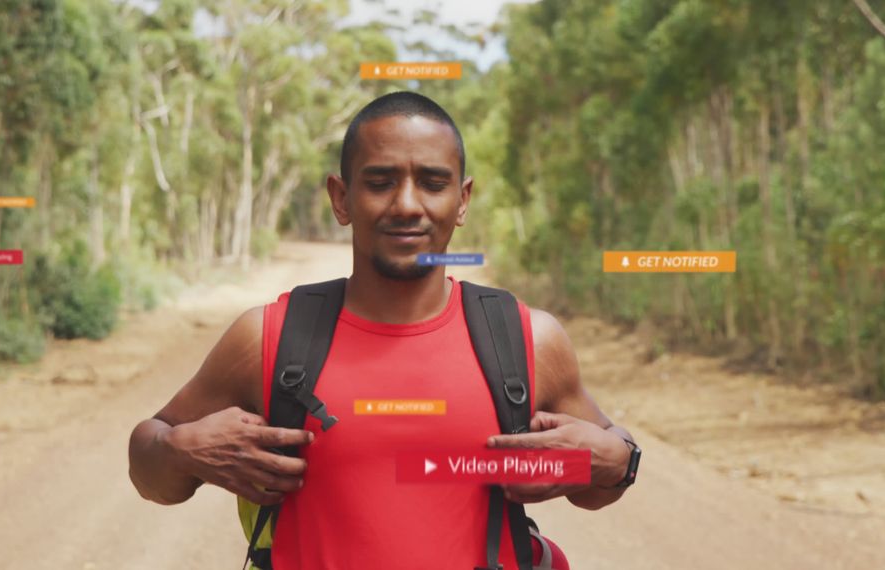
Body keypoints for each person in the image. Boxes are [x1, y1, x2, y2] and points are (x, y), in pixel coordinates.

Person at [128, 91, 637, 569]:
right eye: (380, 182)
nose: (407, 205)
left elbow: (594, 488)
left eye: (433, 183)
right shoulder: (269, 339)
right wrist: (181, 452)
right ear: (341, 198)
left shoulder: (527, 341)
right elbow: (153, 475)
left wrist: (618, 460)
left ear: (462, 201)